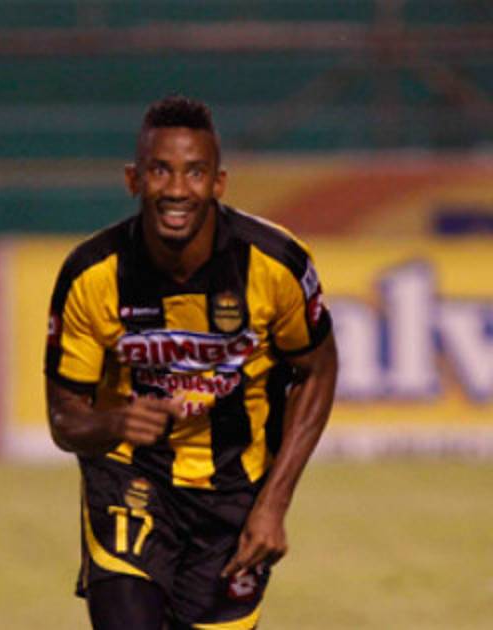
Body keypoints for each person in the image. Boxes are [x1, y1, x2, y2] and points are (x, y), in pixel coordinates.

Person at [44, 95, 337, 630]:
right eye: (160, 171)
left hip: (236, 492)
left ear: (219, 183)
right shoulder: (91, 275)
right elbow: (64, 417)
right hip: (130, 477)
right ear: (133, 180)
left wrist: (274, 504)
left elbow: (317, 371)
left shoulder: (275, 264)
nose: (177, 189)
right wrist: (114, 422)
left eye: (195, 172)